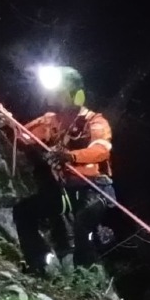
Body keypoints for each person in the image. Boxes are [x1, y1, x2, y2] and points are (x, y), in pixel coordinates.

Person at [6, 65, 118, 276]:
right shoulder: (51, 121)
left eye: (59, 93)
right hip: (67, 191)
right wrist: (3, 118)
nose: (53, 97)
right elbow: (23, 135)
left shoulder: (95, 122)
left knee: (83, 225)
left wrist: (71, 156)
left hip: (95, 189)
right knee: (24, 211)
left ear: (75, 96)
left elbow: (101, 150)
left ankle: (90, 280)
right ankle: (40, 265)